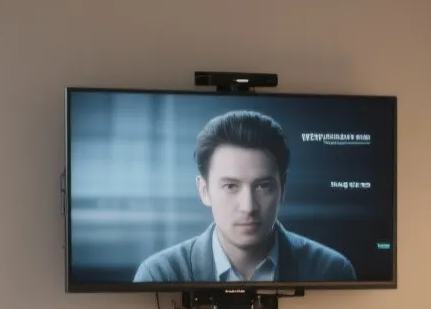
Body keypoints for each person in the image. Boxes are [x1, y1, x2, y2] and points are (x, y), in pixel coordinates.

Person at [133, 110, 356, 284]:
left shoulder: (331, 271)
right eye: (231, 186)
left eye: (263, 186)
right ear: (204, 191)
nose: (248, 207)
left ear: (283, 188)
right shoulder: (159, 274)